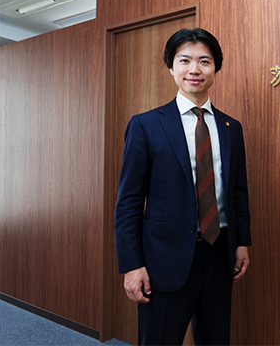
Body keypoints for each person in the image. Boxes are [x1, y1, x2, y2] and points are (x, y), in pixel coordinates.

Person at [114, 28, 251, 345]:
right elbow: (129, 202)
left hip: (219, 255)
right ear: (171, 67)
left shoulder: (231, 127)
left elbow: (238, 193)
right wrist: (132, 265)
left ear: (215, 68)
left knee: (215, 340)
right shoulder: (146, 125)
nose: (194, 69)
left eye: (204, 61)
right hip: (164, 259)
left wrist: (242, 242)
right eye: (185, 60)